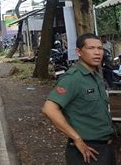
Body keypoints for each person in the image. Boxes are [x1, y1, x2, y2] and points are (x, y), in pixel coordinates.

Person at [42, 33, 116, 165]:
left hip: (106, 148)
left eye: (100, 48)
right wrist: (76, 139)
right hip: (87, 150)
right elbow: (49, 109)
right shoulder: (73, 78)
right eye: (91, 48)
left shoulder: (96, 76)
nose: (97, 53)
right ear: (79, 52)